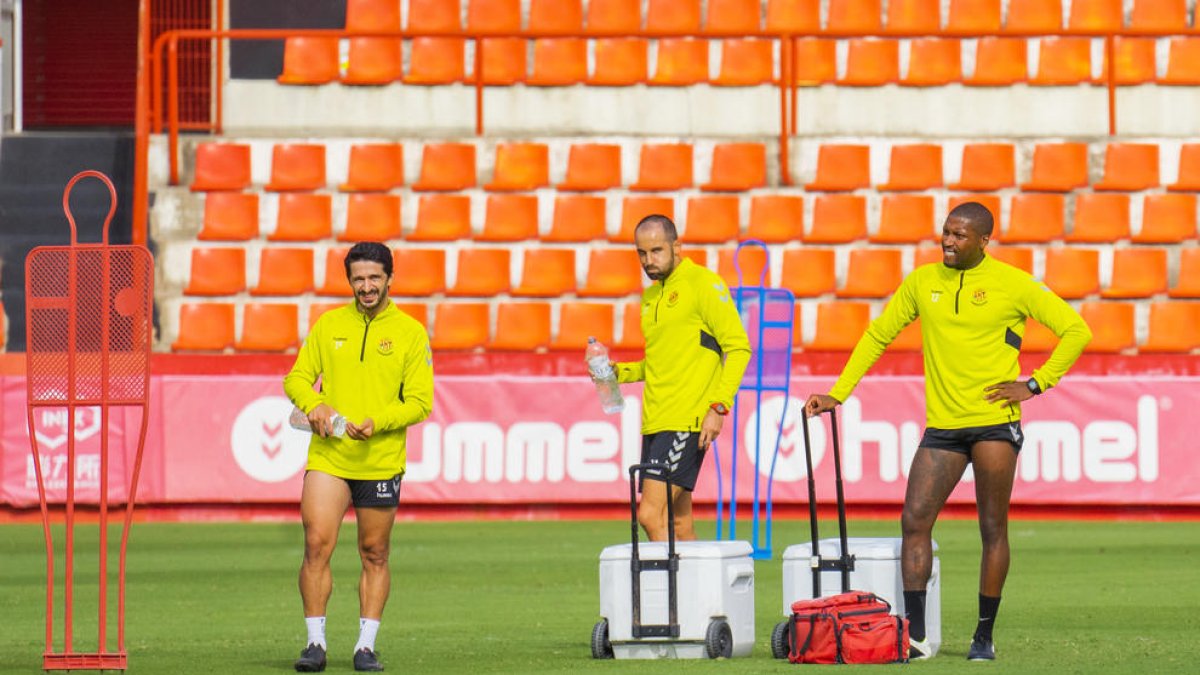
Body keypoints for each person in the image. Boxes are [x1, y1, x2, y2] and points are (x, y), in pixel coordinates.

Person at [804, 202, 1091, 662]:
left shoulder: (1012, 283)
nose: (949, 241)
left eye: (959, 235)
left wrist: (1036, 384)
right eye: (946, 232)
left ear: (983, 240)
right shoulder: (922, 282)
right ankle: (915, 637)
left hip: (994, 424)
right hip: (943, 427)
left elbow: (1076, 330)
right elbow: (878, 335)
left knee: (992, 528)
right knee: (914, 521)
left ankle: (983, 636)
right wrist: (839, 393)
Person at [284, 242, 434, 672]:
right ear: (349, 281)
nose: (366, 287)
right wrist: (314, 405)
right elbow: (296, 378)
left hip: (380, 459)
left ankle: (365, 647)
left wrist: (378, 422)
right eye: (358, 279)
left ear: (390, 279)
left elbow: (420, 402)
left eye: (374, 278)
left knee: (375, 552)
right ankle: (315, 644)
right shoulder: (329, 324)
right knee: (316, 544)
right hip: (330, 456)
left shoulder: (410, 333)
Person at [601, 214, 751, 542]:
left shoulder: (703, 284)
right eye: (642, 253)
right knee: (679, 524)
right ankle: (698, 578)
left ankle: (670, 579)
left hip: (687, 419)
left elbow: (739, 347)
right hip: (655, 421)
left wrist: (719, 406)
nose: (648, 260)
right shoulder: (650, 297)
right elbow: (659, 362)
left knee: (650, 515)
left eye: (656, 251)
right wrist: (620, 372)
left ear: (677, 247)